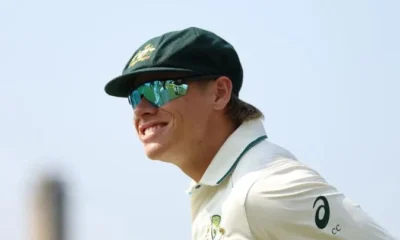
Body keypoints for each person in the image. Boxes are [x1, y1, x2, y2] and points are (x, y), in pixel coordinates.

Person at [104, 27, 396, 240]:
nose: (142, 108)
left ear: (219, 93)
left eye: (160, 88)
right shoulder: (217, 192)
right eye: (134, 96)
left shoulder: (263, 189)